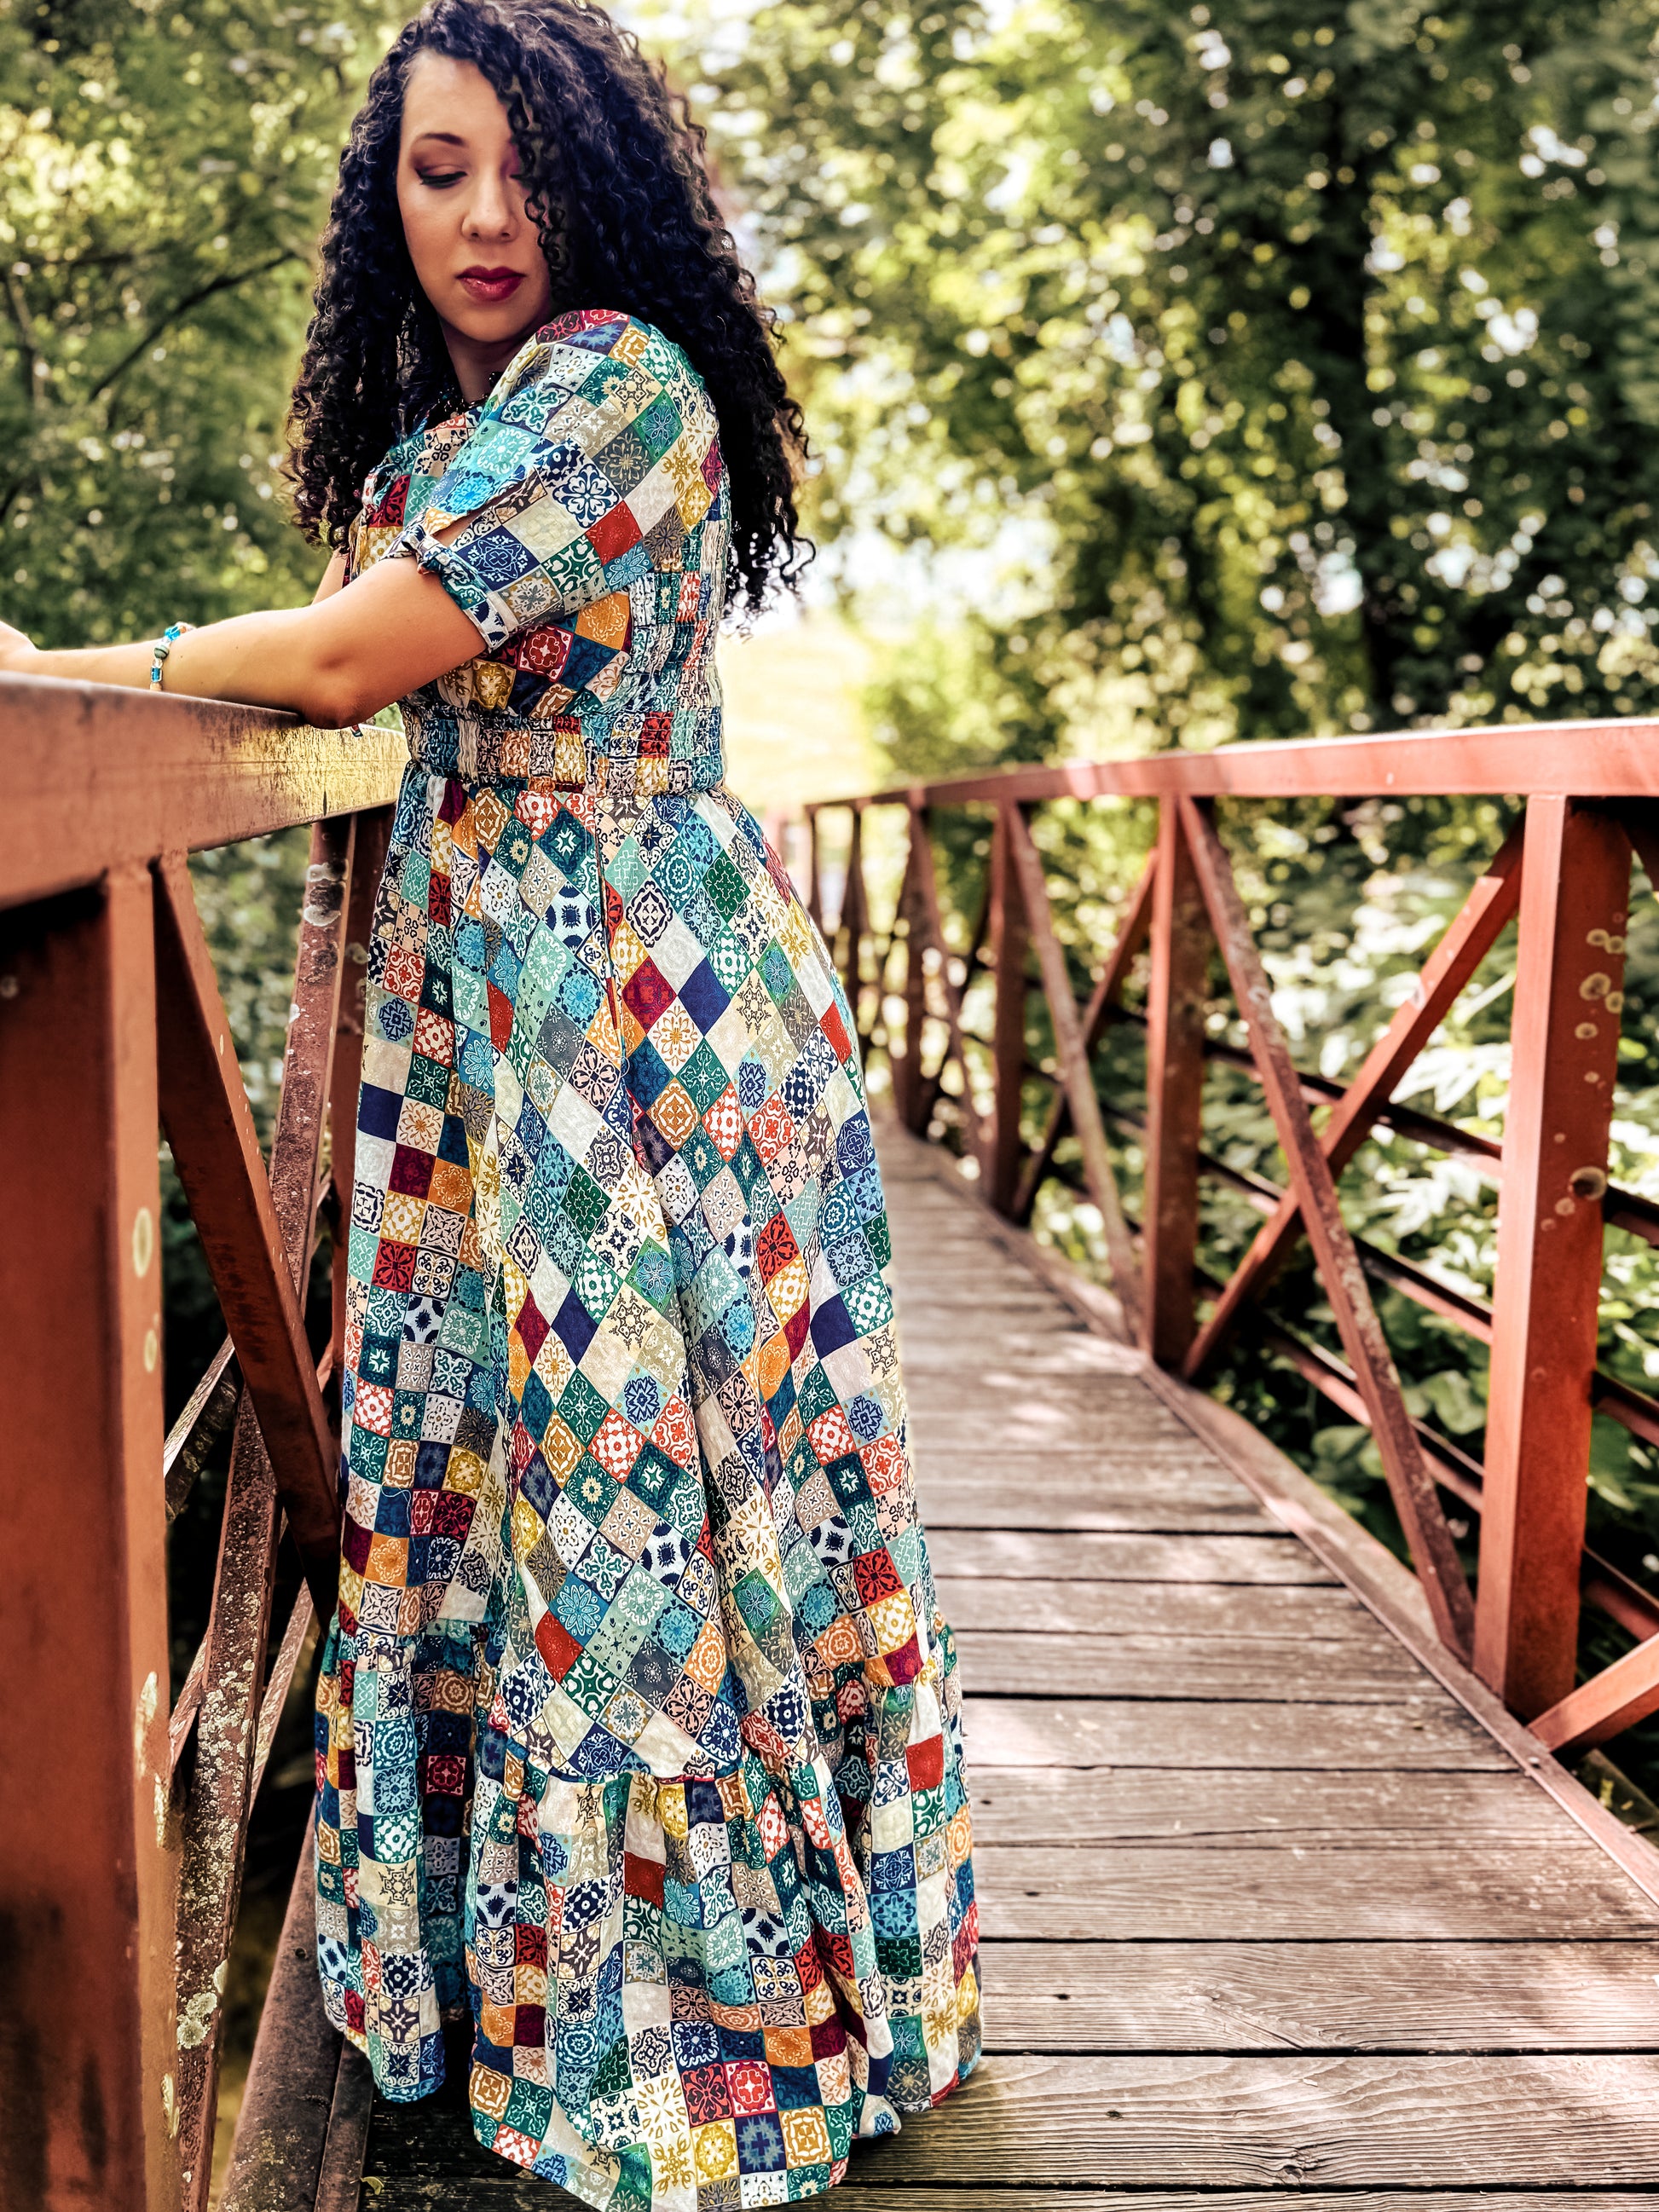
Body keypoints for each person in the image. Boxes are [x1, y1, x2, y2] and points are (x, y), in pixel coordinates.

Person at [0, 0, 980, 2197]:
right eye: (439, 172)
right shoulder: (443, 433)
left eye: (525, 166)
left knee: (658, 1503)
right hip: (481, 1023)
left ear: (603, 179)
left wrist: (65, 673)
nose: (486, 215)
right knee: (503, 1486)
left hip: (644, 1033)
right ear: (390, 201)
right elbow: (367, 658)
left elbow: (347, 663)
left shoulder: (621, 388)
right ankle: (502, 1978)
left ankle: (700, 2032)